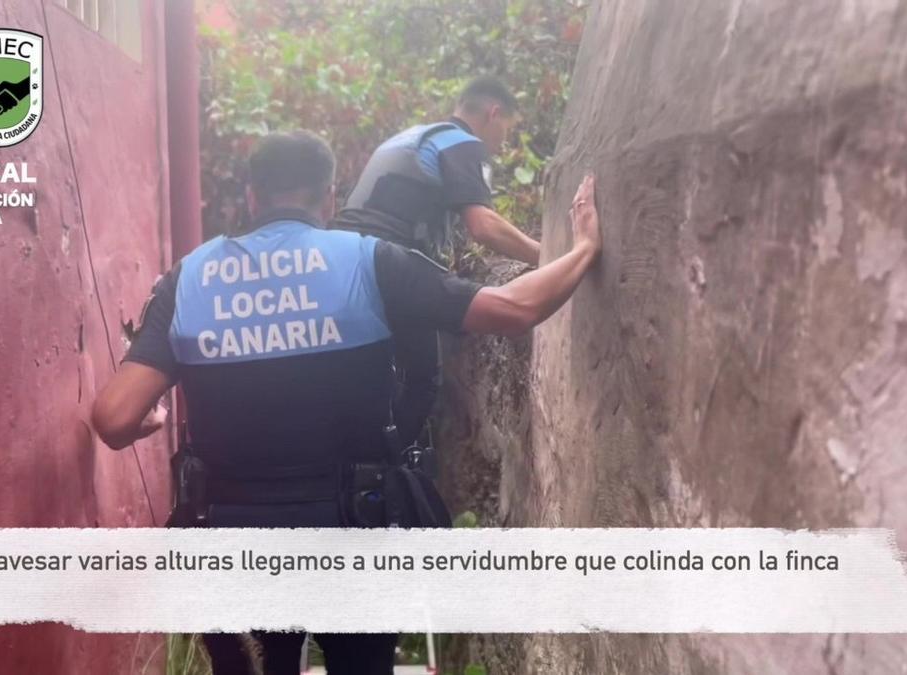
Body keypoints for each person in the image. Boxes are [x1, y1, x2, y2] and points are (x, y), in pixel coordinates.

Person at [90, 131, 602, 675]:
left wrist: (156, 417)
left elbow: (114, 419)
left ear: (251, 198)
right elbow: (514, 308)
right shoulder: (369, 261)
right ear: (329, 198)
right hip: (352, 534)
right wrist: (584, 249)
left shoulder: (189, 279)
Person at [331, 75, 540, 446]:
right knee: (422, 379)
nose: (501, 143)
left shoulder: (415, 136)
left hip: (340, 258)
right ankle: (391, 470)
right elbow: (483, 226)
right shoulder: (462, 143)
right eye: (506, 130)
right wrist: (547, 255)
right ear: (493, 113)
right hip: (386, 261)